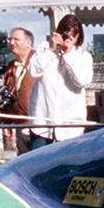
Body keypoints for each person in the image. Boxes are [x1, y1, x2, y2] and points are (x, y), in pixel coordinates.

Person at [24, 14, 94, 151]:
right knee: (38, 165)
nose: (68, 39)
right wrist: (50, 50)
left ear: (78, 37)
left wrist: (67, 56)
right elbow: (32, 71)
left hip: (70, 126)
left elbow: (81, 81)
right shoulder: (44, 49)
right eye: (66, 34)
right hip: (42, 123)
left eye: (73, 36)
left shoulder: (83, 57)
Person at [1, 28, 36, 154]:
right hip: (20, 125)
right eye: (10, 39)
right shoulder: (10, 67)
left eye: (16, 39)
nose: (11, 42)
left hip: (37, 124)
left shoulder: (38, 63)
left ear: (29, 43)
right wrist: (7, 121)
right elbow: (7, 94)